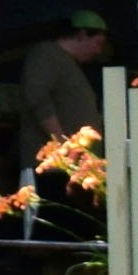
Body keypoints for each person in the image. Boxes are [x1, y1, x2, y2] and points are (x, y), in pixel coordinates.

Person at [14, 10, 109, 162]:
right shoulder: (47, 54)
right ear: (81, 35)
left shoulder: (67, 62)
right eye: (97, 43)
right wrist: (62, 143)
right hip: (50, 168)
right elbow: (37, 96)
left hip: (68, 167)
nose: (98, 51)